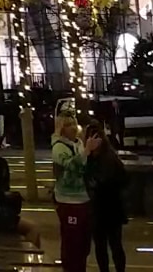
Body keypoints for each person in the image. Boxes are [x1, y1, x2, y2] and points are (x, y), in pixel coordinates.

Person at [52, 113, 92, 272]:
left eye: (74, 124)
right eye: (68, 125)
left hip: (83, 199)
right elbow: (70, 165)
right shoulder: (59, 147)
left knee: (83, 243)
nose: (73, 128)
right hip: (68, 200)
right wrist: (86, 152)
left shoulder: (79, 143)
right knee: (72, 243)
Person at [0, 156, 41, 249]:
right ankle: (32, 251)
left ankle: (31, 250)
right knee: (33, 228)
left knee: (30, 227)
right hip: (0, 219)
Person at [85, 124, 126, 272]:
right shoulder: (98, 157)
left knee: (111, 244)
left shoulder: (106, 158)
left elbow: (102, 180)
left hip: (106, 207)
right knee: (105, 245)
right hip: (106, 207)